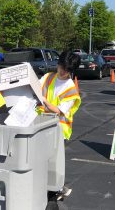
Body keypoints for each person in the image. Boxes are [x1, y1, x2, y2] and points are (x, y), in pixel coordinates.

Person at [37, 51, 81, 200]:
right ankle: (45, 187)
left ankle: (57, 189)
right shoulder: (48, 77)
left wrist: (43, 101)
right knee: (40, 159)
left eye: (66, 70)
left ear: (71, 71)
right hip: (40, 124)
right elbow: (36, 87)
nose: (62, 71)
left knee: (53, 162)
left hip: (58, 129)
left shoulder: (70, 89)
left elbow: (59, 110)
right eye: (61, 66)